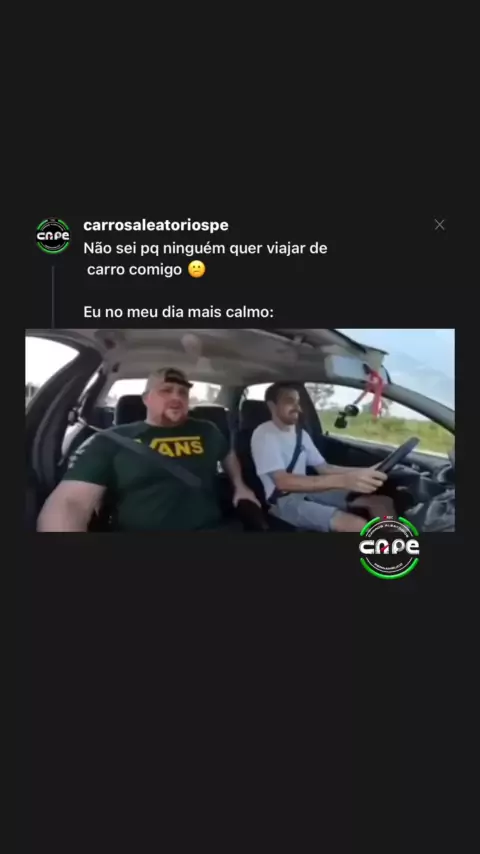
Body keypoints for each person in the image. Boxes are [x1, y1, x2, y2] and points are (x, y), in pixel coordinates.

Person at [37, 368, 259, 532]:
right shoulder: (109, 440)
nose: (176, 397)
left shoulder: (207, 430)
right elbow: (71, 502)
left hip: (212, 529)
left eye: (183, 392)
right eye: (166, 390)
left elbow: (228, 454)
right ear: (146, 399)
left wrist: (240, 486)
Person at [250, 383, 394, 532]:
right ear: (272, 406)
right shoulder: (264, 435)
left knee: (381, 502)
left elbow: (325, 468)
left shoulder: (300, 434)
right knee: (357, 525)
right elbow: (282, 482)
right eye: (289, 401)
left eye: (297, 402)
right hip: (283, 501)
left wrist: (367, 470)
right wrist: (345, 481)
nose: (297, 407)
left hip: (307, 491)